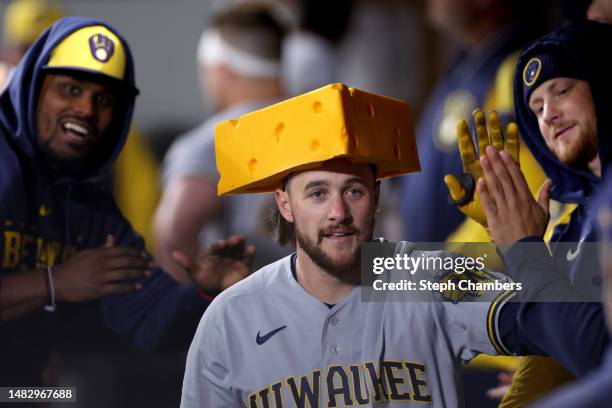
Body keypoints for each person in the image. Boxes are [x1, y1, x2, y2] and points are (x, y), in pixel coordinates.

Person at [180, 83, 608, 407]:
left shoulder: (419, 274)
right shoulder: (230, 317)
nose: (338, 213)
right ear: (284, 204)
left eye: (354, 191)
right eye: (317, 194)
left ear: (377, 197)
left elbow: (582, 331)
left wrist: (527, 248)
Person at [0, 17, 251, 386]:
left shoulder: (91, 209)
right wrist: (54, 283)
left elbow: (152, 325)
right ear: (33, 87)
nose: (87, 109)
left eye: (103, 99)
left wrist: (204, 292)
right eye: (70, 89)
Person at [445, 20, 612, 406]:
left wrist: (523, 249)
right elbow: (546, 321)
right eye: (536, 107)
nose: (548, 114)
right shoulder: (576, 219)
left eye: (562, 91)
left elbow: (594, 351)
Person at [154, 3, 290, 281]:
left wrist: (188, 311)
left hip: (257, 319)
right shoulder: (334, 129)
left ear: (221, 71)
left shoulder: (210, 143)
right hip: (351, 311)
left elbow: (175, 230)